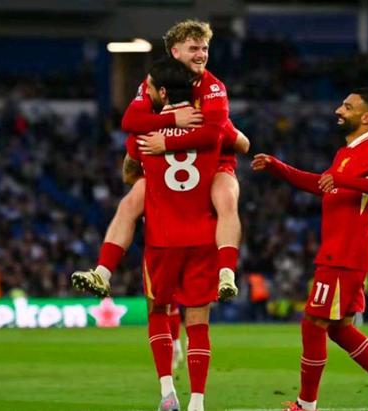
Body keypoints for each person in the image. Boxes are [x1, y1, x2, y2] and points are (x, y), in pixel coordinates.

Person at [252, 88, 368, 411]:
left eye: (348, 107)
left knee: (313, 324)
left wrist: (346, 180)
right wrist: (278, 167)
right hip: (340, 254)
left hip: (344, 256)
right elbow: (323, 184)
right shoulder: (345, 153)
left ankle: (306, 405)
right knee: (340, 330)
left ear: (367, 116)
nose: (339, 111)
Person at [71, 19, 248, 301]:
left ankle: (226, 274)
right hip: (169, 165)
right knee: (130, 203)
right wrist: (172, 119)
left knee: (226, 199)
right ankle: (102, 274)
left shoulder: (213, 86)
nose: (201, 54)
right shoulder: (156, 81)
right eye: (194, 49)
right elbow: (130, 121)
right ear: (175, 52)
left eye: (204, 48)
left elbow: (213, 136)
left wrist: (166, 141)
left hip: (214, 163)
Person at [124, 57, 225, 411]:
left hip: (162, 239)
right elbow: (228, 138)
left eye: (151, 89)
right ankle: (197, 401)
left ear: (163, 93)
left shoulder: (145, 137)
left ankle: (168, 393)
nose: (147, 93)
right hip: (203, 237)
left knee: (158, 310)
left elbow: (129, 166)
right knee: (198, 322)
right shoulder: (210, 133)